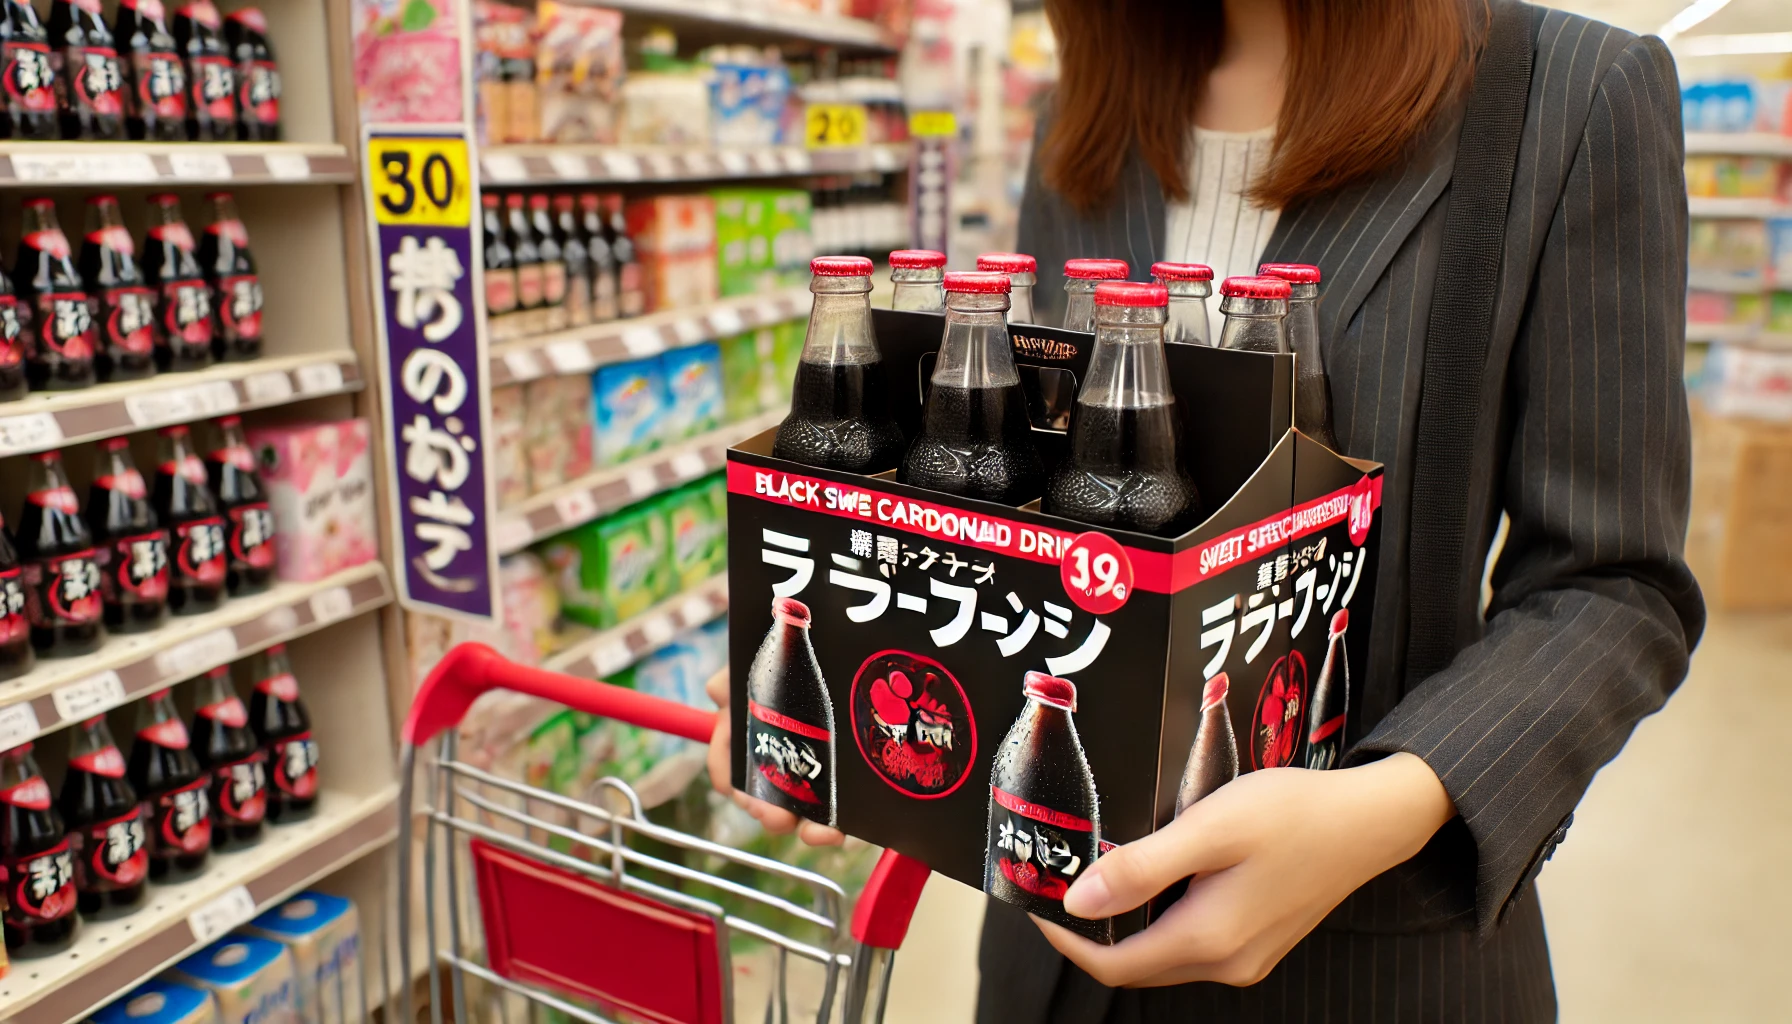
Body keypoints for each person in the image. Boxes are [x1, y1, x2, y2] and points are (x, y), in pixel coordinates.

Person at [707, 0, 1704, 1018]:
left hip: (1370, 963)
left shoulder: (1569, 95)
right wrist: (864, 662)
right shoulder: (1081, 112)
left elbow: (1612, 583)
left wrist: (1390, 802)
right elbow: (1033, 484)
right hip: (1048, 936)